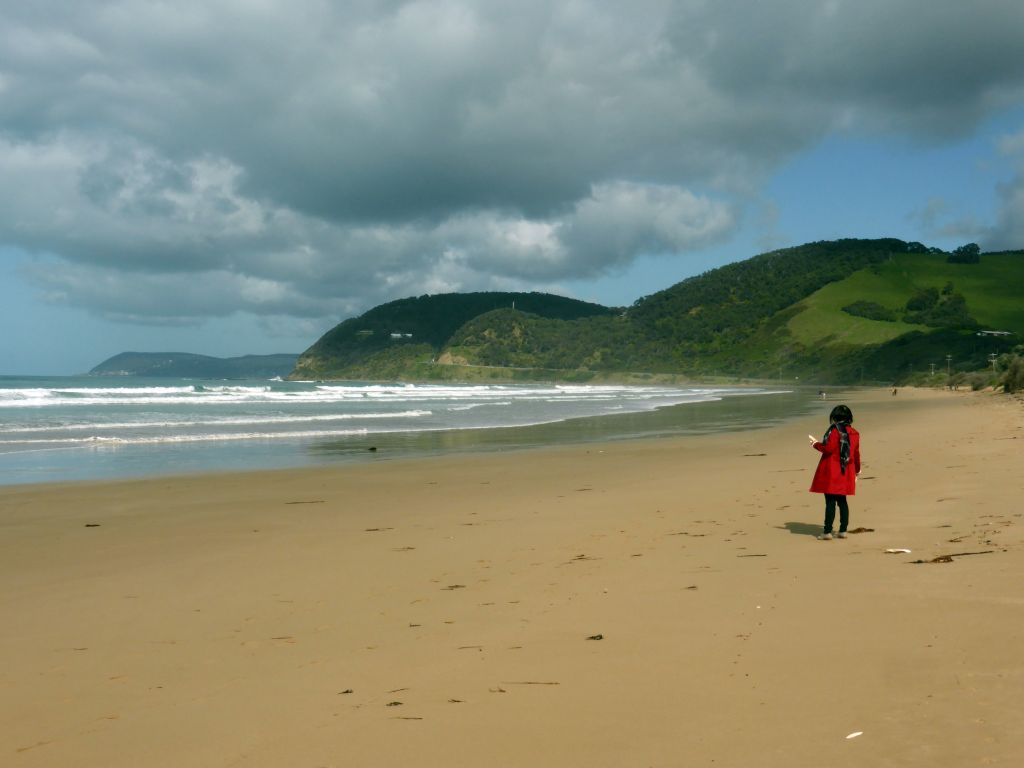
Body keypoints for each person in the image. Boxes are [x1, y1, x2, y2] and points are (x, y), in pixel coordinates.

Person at [807, 404, 861, 540]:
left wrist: (815, 444)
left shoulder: (835, 431)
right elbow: (855, 454)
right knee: (842, 501)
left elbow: (828, 449)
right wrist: (857, 470)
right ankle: (843, 530)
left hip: (832, 471)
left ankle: (827, 532)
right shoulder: (855, 432)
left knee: (830, 502)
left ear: (835, 418)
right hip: (847, 471)